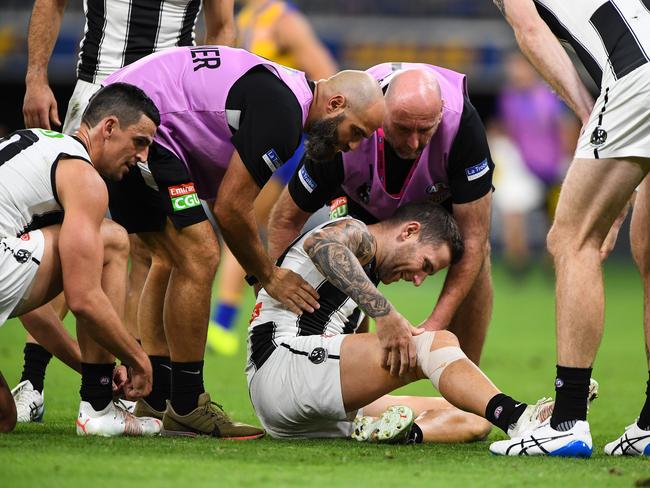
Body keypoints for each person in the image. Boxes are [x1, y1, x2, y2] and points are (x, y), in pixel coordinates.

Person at [102, 45, 385, 437]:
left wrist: (258, 276)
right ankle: (186, 405)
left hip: (125, 107)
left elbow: (225, 196)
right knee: (200, 253)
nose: (352, 146)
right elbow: (232, 210)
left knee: (170, 259)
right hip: (142, 124)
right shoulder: (285, 114)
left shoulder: (286, 96)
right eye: (355, 132)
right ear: (335, 103)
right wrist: (269, 277)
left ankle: (158, 394)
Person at [16, 0, 236, 424]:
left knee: (145, 249)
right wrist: (36, 77)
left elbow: (222, 27)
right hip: (98, 101)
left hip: (166, 113)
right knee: (76, 241)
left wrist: (211, 111)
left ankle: (122, 392)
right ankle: (44, 385)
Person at [490, 0, 650, 457]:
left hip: (634, 78)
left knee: (571, 240)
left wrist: (588, 113)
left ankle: (567, 421)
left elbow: (530, 31)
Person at [248, 202, 547, 442]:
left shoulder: (364, 277)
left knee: (477, 414)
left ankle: (399, 434)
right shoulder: (358, 232)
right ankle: (521, 418)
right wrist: (385, 314)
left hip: (311, 404)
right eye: (425, 265)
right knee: (438, 343)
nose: (418, 280)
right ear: (409, 231)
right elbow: (321, 243)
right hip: (282, 367)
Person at [268, 64, 494, 364]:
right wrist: (270, 287)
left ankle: (466, 386)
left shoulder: (462, 126)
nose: (414, 143)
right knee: (348, 252)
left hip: (438, 189)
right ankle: (349, 381)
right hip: (360, 187)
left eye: (425, 130)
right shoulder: (352, 122)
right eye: (402, 128)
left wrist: (432, 327)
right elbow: (285, 219)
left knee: (477, 258)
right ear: (382, 113)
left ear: (440, 113)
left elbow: (475, 240)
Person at [0, 83, 162, 436]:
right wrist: (138, 360)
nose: (142, 156)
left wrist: (92, 370)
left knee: (4, 418)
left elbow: (36, 312)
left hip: (6, 267)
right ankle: (99, 409)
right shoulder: (83, 177)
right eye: (140, 141)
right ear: (108, 128)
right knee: (114, 240)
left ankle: (98, 394)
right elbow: (84, 298)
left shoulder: (38, 145)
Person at [207, 0, 338, 355]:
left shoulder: (285, 22)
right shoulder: (247, 17)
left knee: (242, 216)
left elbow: (327, 77)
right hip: (252, 131)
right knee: (242, 217)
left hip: (282, 138)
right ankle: (229, 318)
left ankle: (223, 319)